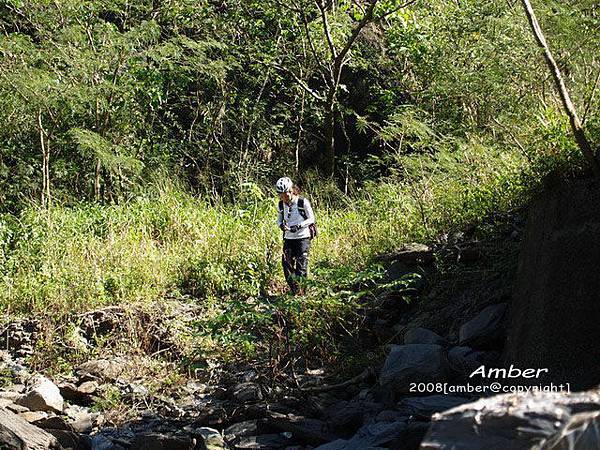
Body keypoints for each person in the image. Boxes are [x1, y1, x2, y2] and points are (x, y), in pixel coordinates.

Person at [275, 177, 316, 295]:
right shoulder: (281, 205)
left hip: (302, 238)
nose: (285, 196)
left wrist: (298, 226)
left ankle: (302, 293)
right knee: (286, 264)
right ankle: (295, 290)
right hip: (288, 238)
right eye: (282, 194)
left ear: (292, 190)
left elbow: (311, 219)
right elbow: (279, 220)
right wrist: (281, 225)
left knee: (301, 267)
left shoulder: (302, 202)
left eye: (287, 192)